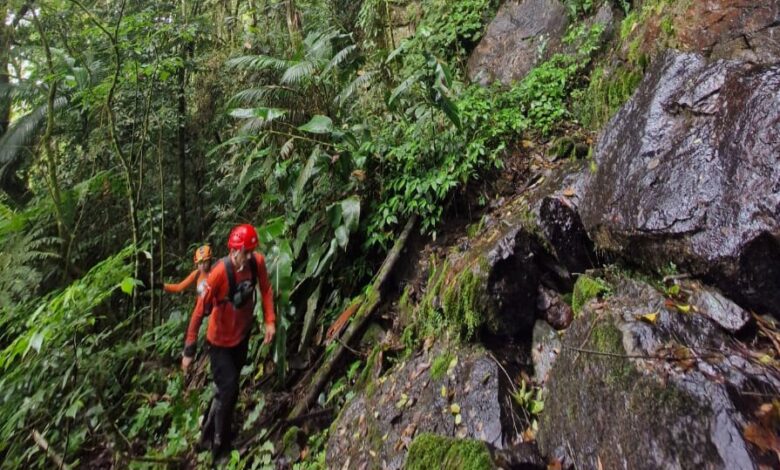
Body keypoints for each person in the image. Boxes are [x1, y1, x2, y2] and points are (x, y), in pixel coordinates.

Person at [182, 224, 276, 457]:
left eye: (248, 252)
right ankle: (219, 449)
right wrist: (189, 349)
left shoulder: (257, 263)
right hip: (219, 343)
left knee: (226, 391)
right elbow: (198, 310)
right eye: (241, 252)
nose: (244, 256)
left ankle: (208, 433)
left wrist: (269, 320)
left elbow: (265, 289)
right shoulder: (219, 273)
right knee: (230, 387)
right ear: (233, 250)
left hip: (241, 337)